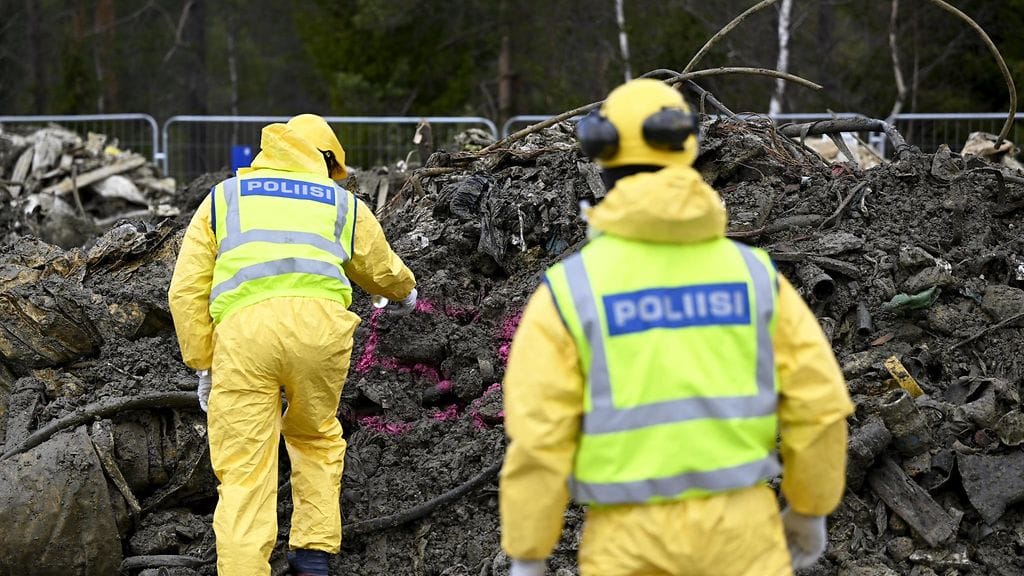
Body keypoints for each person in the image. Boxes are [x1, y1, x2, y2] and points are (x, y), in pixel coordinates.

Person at [498, 79, 854, 576]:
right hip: (742, 538)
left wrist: (528, 552)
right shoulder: (754, 278)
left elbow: (539, 437)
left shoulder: (571, 291)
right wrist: (811, 508)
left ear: (601, 154)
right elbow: (818, 407)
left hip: (627, 546)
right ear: (687, 146)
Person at [168, 114, 417, 576]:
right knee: (316, 436)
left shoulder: (225, 197)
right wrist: (405, 292)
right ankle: (313, 556)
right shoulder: (341, 203)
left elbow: (186, 289)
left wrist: (203, 360)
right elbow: (379, 267)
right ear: (325, 157)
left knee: (244, 468)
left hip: (245, 337)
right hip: (320, 335)